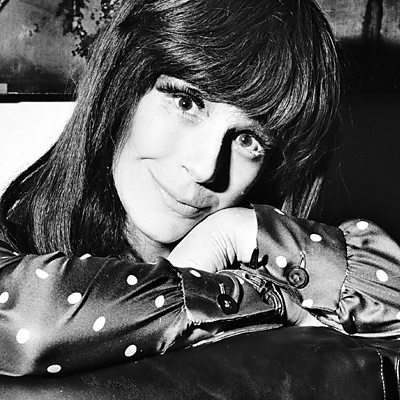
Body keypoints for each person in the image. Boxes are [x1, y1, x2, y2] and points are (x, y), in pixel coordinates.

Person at [0, 0, 399, 377]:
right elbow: (29, 328)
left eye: (249, 140)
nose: (206, 168)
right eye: (186, 103)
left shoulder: (274, 267)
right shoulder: (13, 256)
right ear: (121, 90)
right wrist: (242, 299)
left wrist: (237, 233)